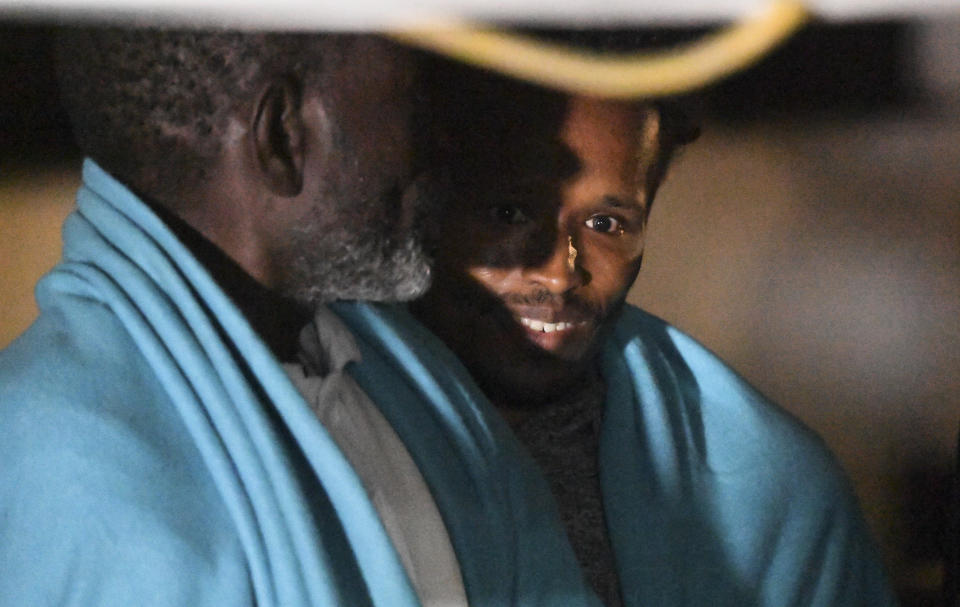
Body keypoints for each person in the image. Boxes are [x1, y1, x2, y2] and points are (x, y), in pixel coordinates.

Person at [400, 60, 900, 605]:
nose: (560, 271)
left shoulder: (773, 487)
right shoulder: (333, 417)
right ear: (423, 199)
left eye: (606, 225)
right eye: (510, 212)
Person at [0, 29, 446, 606]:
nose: (444, 140)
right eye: (412, 101)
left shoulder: (400, 380)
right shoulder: (71, 470)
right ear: (283, 136)